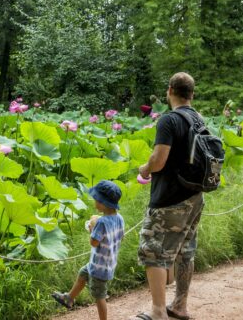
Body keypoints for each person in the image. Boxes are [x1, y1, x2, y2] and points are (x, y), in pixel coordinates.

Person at [134, 72, 204, 320]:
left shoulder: (169, 120)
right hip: (195, 197)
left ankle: (157, 312)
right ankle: (180, 305)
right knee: (186, 251)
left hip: (169, 198)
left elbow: (159, 160)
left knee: (153, 251)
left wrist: (144, 168)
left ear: (170, 91)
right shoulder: (200, 120)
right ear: (192, 94)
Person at [52, 180, 125, 320]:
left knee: (99, 296)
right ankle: (69, 298)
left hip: (99, 267)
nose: (94, 202)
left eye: (96, 200)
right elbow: (122, 237)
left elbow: (93, 242)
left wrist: (92, 227)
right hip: (106, 263)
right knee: (83, 273)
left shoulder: (102, 222)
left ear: (104, 203)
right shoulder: (119, 218)